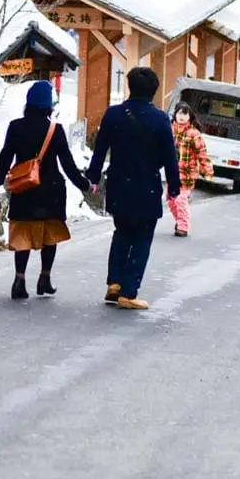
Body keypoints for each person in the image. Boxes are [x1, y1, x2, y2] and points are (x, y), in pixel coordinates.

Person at [85, 67, 181, 310]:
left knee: (122, 231)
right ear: (154, 91)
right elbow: (170, 157)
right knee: (142, 237)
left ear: (129, 86)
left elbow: (100, 149)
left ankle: (114, 283)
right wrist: (174, 186)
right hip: (146, 186)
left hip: (119, 184)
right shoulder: (160, 119)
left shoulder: (114, 114)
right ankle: (129, 292)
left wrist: (93, 177)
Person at [0, 80, 91, 300]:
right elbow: (67, 163)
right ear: (49, 105)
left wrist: (0, 177)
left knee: (23, 238)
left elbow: (6, 154)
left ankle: (19, 280)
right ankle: (44, 278)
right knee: (50, 236)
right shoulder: (54, 130)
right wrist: (83, 184)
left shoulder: (16, 127)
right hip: (50, 192)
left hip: (25, 190)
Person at [169, 101, 212, 238]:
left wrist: (207, 171)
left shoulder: (193, 134)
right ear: (175, 114)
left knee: (180, 200)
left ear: (190, 117)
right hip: (172, 172)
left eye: (185, 114)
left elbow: (202, 153)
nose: (181, 117)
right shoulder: (169, 130)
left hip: (187, 174)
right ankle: (180, 220)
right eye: (179, 113)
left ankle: (183, 226)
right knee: (171, 200)